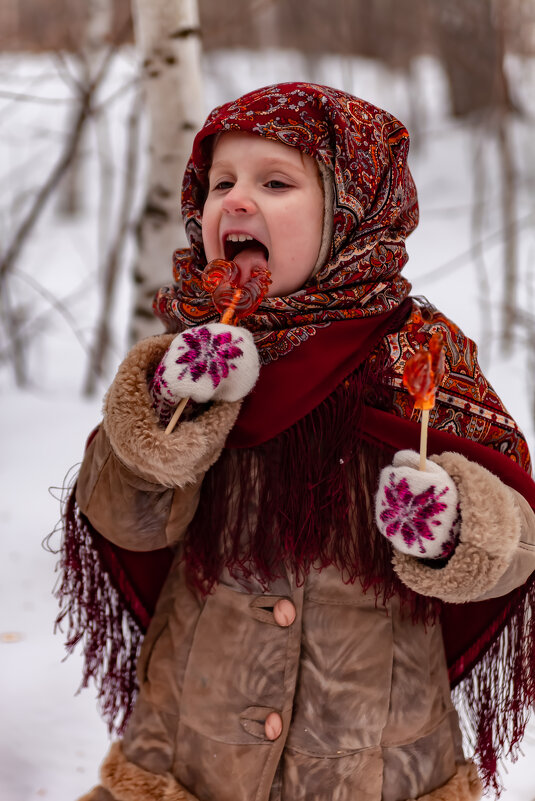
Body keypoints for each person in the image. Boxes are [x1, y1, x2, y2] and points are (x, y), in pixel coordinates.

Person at [58, 83, 535, 801]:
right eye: (221, 182)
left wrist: (456, 528)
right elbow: (125, 521)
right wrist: (163, 419)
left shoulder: (416, 360)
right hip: (191, 751)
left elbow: (517, 547)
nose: (236, 201)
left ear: (353, 212)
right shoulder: (191, 354)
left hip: (378, 765)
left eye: (274, 182)